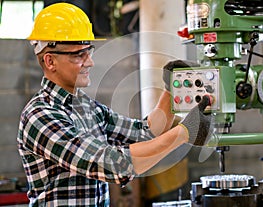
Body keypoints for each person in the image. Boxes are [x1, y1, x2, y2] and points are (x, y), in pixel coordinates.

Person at [17, 2, 212, 207]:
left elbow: (146, 133)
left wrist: (171, 90)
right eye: (78, 55)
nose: (90, 62)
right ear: (50, 61)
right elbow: (113, 165)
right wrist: (184, 133)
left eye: (89, 51)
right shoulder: (40, 115)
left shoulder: (87, 107)